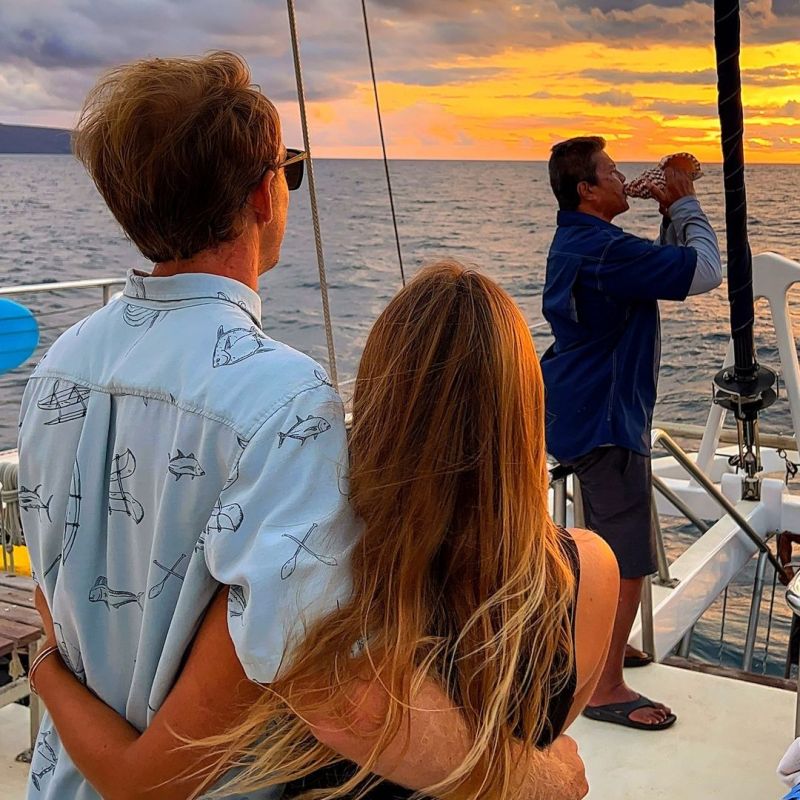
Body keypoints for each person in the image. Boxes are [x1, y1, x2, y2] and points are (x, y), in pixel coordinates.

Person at [20, 53, 590, 800]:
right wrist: (533, 778)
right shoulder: (282, 400)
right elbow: (336, 696)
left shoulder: (61, 364)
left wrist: (43, 672)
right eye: (289, 171)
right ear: (263, 194)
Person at [29, 262, 617, 800]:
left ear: (383, 402)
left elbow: (151, 777)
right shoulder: (591, 572)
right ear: (526, 409)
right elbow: (540, 738)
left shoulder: (315, 585)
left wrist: (45, 667)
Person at [541, 136, 723, 731]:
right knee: (625, 557)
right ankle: (602, 686)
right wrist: (687, 202)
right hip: (605, 417)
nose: (623, 178)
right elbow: (702, 273)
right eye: (612, 172)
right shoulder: (604, 251)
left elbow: (660, 276)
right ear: (587, 190)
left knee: (598, 544)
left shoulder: (586, 241)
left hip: (578, 405)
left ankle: (599, 647)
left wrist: (668, 208)